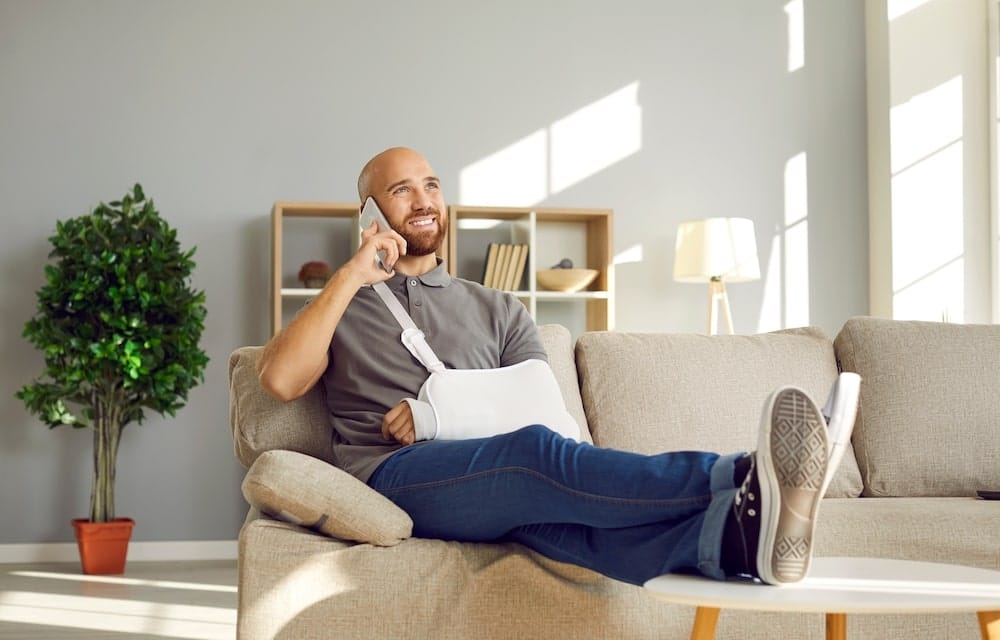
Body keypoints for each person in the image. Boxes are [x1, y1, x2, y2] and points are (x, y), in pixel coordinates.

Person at [257, 146, 857, 587]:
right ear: (371, 213)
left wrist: (436, 414)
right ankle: (745, 475)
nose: (424, 200)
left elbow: (537, 402)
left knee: (577, 534)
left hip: (493, 481)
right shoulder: (343, 306)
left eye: (432, 185)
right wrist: (351, 274)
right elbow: (281, 380)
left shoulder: (497, 306)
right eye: (402, 190)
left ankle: (739, 543)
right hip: (397, 475)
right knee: (533, 454)